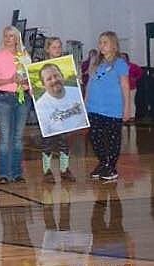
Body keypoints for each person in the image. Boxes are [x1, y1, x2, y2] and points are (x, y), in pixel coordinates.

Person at [35, 37, 83, 183]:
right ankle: (47, 170)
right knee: (47, 140)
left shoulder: (67, 65)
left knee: (65, 141)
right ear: (47, 49)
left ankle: (64, 169)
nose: (57, 49)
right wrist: (32, 90)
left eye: (59, 47)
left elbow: (73, 86)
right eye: (54, 47)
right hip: (48, 109)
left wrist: (78, 80)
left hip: (65, 108)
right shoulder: (39, 66)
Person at [0, 25, 31, 184]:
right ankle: (4, 173)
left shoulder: (25, 56)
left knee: (18, 138)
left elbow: (31, 77)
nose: (8, 38)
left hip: (22, 99)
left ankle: (17, 172)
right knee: (6, 138)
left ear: (17, 38)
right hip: (4, 99)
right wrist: (10, 80)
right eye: (6, 35)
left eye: (11, 36)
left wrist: (28, 83)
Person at [86, 31, 130, 181]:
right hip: (94, 107)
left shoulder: (120, 64)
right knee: (94, 137)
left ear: (114, 46)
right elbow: (90, 83)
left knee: (112, 139)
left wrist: (127, 108)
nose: (101, 46)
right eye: (100, 43)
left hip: (112, 108)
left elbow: (125, 86)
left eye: (105, 43)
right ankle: (104, 162)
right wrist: (85, 103)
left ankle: (111, 167)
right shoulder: (97, 63)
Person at [120, 52, 143, 123]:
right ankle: (124, 115)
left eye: (124, 57)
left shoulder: (133, 66)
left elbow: (140, 72)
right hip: (121, 87)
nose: (122, 59)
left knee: (131, 101)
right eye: (121, 57)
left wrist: (135, 78)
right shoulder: (118, 66)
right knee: (122, 102)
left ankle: (132, 116)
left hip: (131, 87)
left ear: (127, 58)